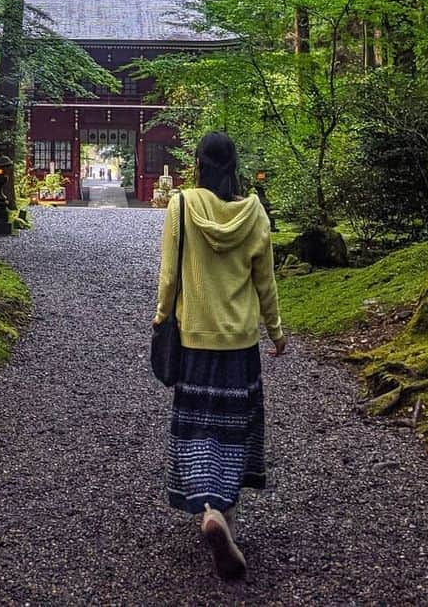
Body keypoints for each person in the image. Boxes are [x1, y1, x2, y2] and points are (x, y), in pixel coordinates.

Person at [152, 131, 286, 581]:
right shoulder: (255, 214)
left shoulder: (182, 206)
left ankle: (206, 507)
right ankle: (226, 516)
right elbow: (265, 281)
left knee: (199, 428)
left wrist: (160, 318)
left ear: (197, 163)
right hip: (241, 345)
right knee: (235, 429)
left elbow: (169, 276)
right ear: (234, 166)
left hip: (195, 340)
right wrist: (277, 331)